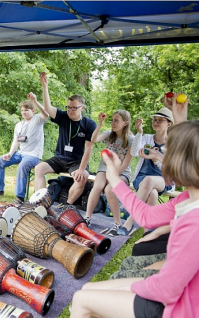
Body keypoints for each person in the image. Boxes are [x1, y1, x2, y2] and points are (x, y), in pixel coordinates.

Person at [70, 120, 199, 318]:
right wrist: (113, 176)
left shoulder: (194, 221)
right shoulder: (187, 199)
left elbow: (166, 289)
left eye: (169, 154)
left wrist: (127, 287)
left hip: (178, 309)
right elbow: (146, 216)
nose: (164, 160)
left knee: (81, 300)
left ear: (184, 161)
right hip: (175, 294)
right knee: (87, 289)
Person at [34, 72, 96, 205]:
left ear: (82, 108)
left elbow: (88, 150)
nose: (70, 110)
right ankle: (41, 202)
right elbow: (48, 108)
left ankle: (66, 206)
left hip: (76, 161)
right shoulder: (63, 117)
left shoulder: (90, 124)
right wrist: (45, 87)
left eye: (74, 108)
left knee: (82, 177)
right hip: (59, 158)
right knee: (39, 169)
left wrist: (81, 169)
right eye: (68, 107)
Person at [118, 107, 174, 236]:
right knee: (152, 194)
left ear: (169, 124)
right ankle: (148, 231)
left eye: (160, 120)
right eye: (155, 120)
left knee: (150, 180)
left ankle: (129, 222)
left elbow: (172, 168)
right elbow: (133, 152)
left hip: (164, 179)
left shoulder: (172, 143)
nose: (156, 122)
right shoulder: (147, 138)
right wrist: (139, 132)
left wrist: (155, 159)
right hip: (141, 179)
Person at [0, 94, 48, 203]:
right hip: (20, 153)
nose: (24, 112)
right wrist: (10, 153)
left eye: (26, 110)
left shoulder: (38, 119)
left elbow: (46, 114)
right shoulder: (19, 125)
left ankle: (20, 197)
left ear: (33, 111)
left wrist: (35, 101)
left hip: (33, 155)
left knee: (22, 166)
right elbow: (16, 141)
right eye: (22, 110)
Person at [83, 110, 133, 236]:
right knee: (98, 186)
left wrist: (113, 176)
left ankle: (117, 224)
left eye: (116, 120)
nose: (113, 123)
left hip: (121, 172)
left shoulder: (132, 139)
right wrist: (100, 124)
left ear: (125, 123)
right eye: (112, 120)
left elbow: (126, 163)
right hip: (104, 168)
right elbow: (93, 140)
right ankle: (87, 218)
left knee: (110, 190)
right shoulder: (109, 133)